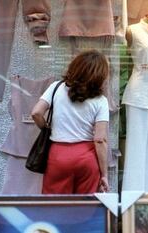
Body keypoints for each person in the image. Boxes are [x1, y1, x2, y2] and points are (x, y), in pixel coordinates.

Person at [31, 50, 110, 194]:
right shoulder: (101, 101)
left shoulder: (56, 87)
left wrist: (46, 127)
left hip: (58, 155)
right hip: (86, 157)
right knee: (85, 207)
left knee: (55, 206)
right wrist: (104, 174)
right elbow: (100, 139)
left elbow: (36, 113)